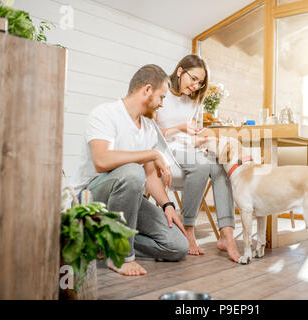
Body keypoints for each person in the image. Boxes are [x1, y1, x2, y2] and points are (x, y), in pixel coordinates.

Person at [71, 64, 189, 276]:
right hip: (88, 201)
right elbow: (101, 160)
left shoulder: (149, 128)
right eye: (161, 97)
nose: (162, 104)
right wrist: (152, 154)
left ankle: (101, 241)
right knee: (133, 171)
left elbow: (150, 175)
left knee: (177, 246)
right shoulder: (105, 113)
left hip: (127, 200)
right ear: (147, 90)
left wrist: (168, 205)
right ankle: (119, 255)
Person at [155, 54, 241, 262]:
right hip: (163, 148)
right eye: (193, 79)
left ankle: (226, 235)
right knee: (201, 166)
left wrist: (198, 138)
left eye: (200, 83)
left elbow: (187, 135)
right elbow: (153, 133)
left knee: (220, 167)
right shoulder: (161, 91)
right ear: (179, 71)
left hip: (184, 147)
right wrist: (180, 128)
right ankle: (188, 227)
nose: (195, 85)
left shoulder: (192, 101)